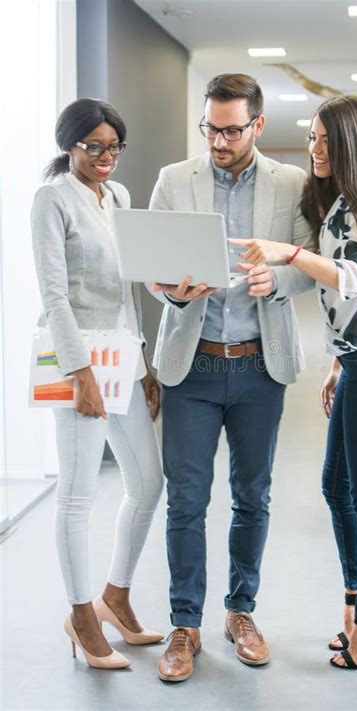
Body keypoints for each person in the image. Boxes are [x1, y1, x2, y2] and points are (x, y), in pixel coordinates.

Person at [232, 94, 357, 671]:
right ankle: (356, 604)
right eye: (312, 138)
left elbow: (353, 277)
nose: (315, 148)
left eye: (324, 139)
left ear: (349, 143)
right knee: (338, 487)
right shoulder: (352, 198)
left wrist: (289, 251)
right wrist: (340, 362)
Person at [148, 73, 315, 682]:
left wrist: (283, 279)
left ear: (258, 125)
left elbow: (306, 262)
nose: (219, 141)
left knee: (253, 497)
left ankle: (240, 611)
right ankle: (184, 624)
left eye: (231, 129)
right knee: (186, 502)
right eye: (211, 128)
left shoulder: (291, 183)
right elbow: (152, 266)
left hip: (258, 365)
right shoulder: (175, 179)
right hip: (192, 363)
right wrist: (171, 289)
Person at [31, 98, 164, 670]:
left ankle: (116, 595)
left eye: (114, 146)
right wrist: (79, 370)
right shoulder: (51, 199)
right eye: (94, 146)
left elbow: (130, 287)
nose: (106, 156)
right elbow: (54, 294)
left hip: (123, 357)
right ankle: (81, 616)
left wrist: (144, 362)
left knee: (148, 482)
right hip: (76, 362)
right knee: (79, 494)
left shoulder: (121, 197)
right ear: (70, 146)